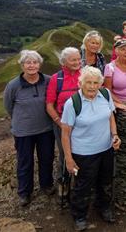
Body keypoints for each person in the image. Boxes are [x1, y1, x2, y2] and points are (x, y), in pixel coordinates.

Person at [61, 66, 121, 231]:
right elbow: (65, 134)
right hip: (84, 153)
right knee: (83, 185)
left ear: (100, 84)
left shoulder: (105, 95)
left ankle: (104, 208)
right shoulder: (72, 103)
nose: (92, 86)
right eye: (88, 82)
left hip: (106, 148)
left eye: (96, 83)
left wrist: (114, 135)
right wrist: (69, 159)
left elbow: (110, 116)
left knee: (106, 181)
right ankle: (79, 216)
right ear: (81, 83)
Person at [3, 50, 55, 206]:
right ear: (22, 65)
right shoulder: (13, 85)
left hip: (45, 129)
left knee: (47, 158)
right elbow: (8, 106)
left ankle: (46, 185)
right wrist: (22, 119)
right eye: (28, 62)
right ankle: (25, 192)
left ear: (39, 64)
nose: (31, 65)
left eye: (34, 62)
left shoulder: (48, 80)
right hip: (23, 131)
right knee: (25, 161)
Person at [46, 47, 81, 201]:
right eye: (73, 60)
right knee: (65, 155)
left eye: (79, 59)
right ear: (64, 62)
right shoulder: (56, 79)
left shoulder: (84, 75)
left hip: (82, 124)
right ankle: (64, 185)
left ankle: (80, 185)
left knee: (82, 153)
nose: (77, 62)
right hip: (62, 123)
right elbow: (49, 105)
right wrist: (60, 123)